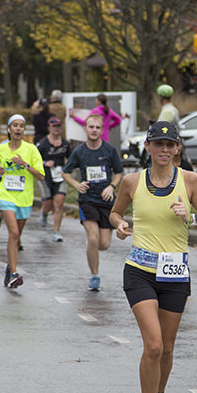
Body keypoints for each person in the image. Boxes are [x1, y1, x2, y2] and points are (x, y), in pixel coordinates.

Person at [110, 121, 197, 393]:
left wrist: (192, 217)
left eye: (171, 144)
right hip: (139, 270)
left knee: (167, 349)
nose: (165, 150)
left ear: (178, 148)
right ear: (148, 146)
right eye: (159, 144)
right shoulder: (132, 181)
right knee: (153, 345)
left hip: (174, 274)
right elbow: (115, 213)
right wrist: (120, 225)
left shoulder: (191, 181)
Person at [61, 113, 124, 291]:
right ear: (85, 129)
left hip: (106, 201)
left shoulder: (109, 150)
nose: (94, 130)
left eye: (97, 127)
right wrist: (76, 184)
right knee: (94, 239)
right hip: (87, 200)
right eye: (91, 127)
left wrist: (111, 186)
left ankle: (91, 246)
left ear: (102, 130)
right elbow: (65, 172)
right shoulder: (80, 151)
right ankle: (94, 276)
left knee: (104, 244)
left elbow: (119, 172)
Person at [0, 114, 45, 288]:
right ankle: (14, 273)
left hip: (24, 198)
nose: (18, 128)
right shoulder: (0, 149)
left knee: (17, 237)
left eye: (21, 126)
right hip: (6, 196)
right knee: (13, 233)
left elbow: (41, 176)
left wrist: (25, 164)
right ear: (9, 129)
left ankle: (9, 266)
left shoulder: (31, 150)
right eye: (15, 125)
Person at [36, 117, 71, 241]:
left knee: (59, 203)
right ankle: (44, 213)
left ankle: (56, 231)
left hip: (60, 176)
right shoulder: (42, 143)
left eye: (58, 126)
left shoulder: (66, 144)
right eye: (53, 126)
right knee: (48, 205)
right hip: (45, 176)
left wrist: (67, 168)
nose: (56, 129)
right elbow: (34, 159)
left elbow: (71, 159)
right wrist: (45, 163)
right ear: (49, 128)